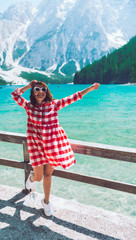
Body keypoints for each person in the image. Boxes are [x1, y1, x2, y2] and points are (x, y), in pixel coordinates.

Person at [11, 81, 100, 216]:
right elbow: (15, 94)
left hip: (52, 145)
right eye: (37, 89)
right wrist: (29, 85)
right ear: (33, 92)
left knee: (48, 175)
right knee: (39, 176)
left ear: (46, 92)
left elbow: (74, 97)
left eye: (43, 89)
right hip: (36, 146)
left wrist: (91, 88)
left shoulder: (54, 104)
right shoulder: (29, 107)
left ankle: (46, 202)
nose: (40, 92)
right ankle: (32, 178)